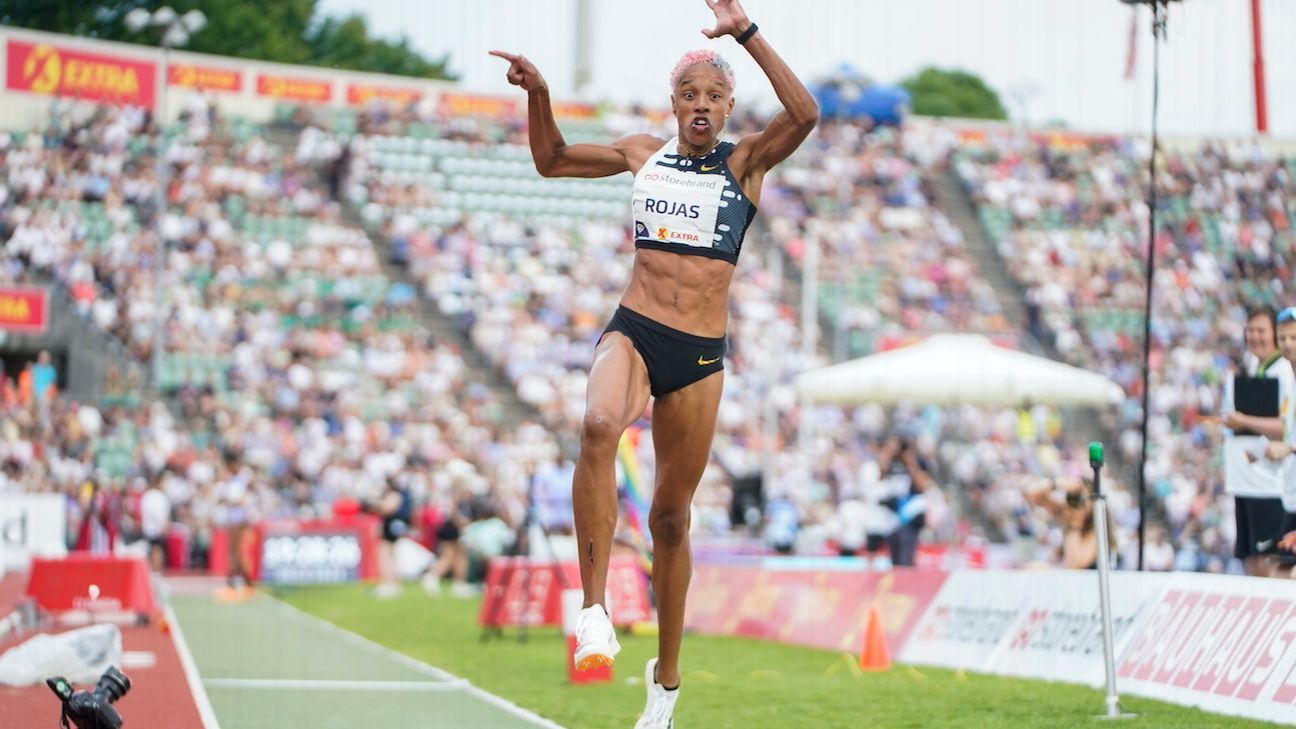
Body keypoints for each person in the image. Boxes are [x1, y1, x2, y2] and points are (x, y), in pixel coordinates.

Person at [492, 1, 817, 725]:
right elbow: (550, 162)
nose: (700, 105)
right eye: (689, 95)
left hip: (699, 356)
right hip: (636, 327)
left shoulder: (747, 162)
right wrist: (540, 97)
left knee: (672, 519)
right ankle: (594, 610)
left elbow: (806, 113)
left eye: (714, 97)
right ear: (673, 104)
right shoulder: (644, 153)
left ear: (729, 107)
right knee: (599, 421)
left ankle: (664, 685)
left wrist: (746, 35)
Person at [1219, 305, 1294, 577]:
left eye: (1261, 330)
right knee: (1251, 560)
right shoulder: (1250, 367)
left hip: (1270, 485)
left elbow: (1287, 429)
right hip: (1244, 481)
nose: (1255, 337)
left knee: (1273, 564)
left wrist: (1245, 421)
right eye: (1250, 330)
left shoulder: (1285, 372)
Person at [1026, 475, 1114, 570]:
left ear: (1093, 502)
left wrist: (1075, 524)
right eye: (1072, 497)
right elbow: (1031, 493)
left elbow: (1075, 565)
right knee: (1033, 567)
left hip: (1088, 581)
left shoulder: (1098, 528)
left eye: (1080, 498)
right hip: (1071, 577)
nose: (1075, 503)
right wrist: (1058, 483)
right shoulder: (1067, 511)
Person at [876, 437, 933, 567]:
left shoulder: (917, 461)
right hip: (892, 517)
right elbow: (880, 477)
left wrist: (910, 463)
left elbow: (922, 486)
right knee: (894, 558)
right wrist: (887, 456)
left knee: (905, 557)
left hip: (910, 515)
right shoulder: (891, 462)